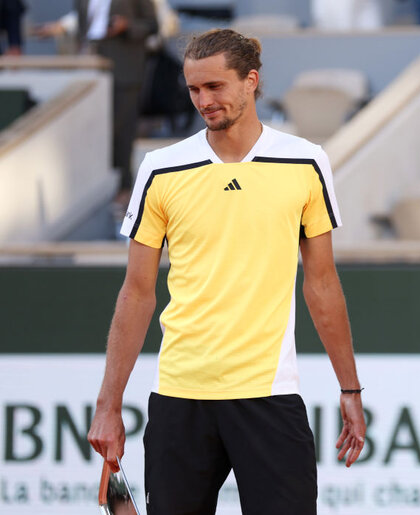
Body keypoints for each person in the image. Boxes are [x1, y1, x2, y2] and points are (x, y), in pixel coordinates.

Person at [87, 28, 366, 514]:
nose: (203, 100)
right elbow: (136, 293)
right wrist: (108, 405)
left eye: (215, 86)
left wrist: (350, 388)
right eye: (194, 89)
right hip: (179, 397)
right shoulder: (160, 167)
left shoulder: (306, 161)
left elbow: (321, 284)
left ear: (251, 81)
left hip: (270, 397)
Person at [36, 0, 158, 203]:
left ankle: (123, 188)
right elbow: (86, 23)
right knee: (91, 129)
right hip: (91, 65)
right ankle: (95, 186)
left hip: (125, 67)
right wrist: (62, 28)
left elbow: (153, 25)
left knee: (121, 129)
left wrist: (126, 26)